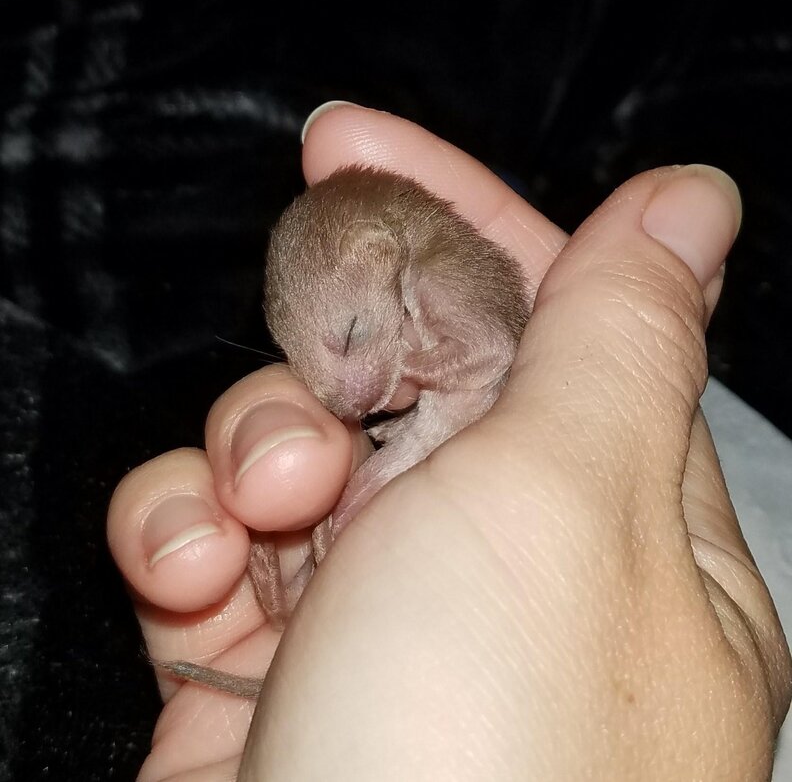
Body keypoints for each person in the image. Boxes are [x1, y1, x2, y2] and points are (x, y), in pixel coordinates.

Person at [107, 102, 792, 780]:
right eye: (309, 368)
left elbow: (493, 352)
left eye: (349, 339)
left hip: (482, 458)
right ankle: (287, 588)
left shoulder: (458, 277)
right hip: (431, 494)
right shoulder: (387, 296)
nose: (339, 396)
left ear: (383, 250)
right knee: (308, 505)